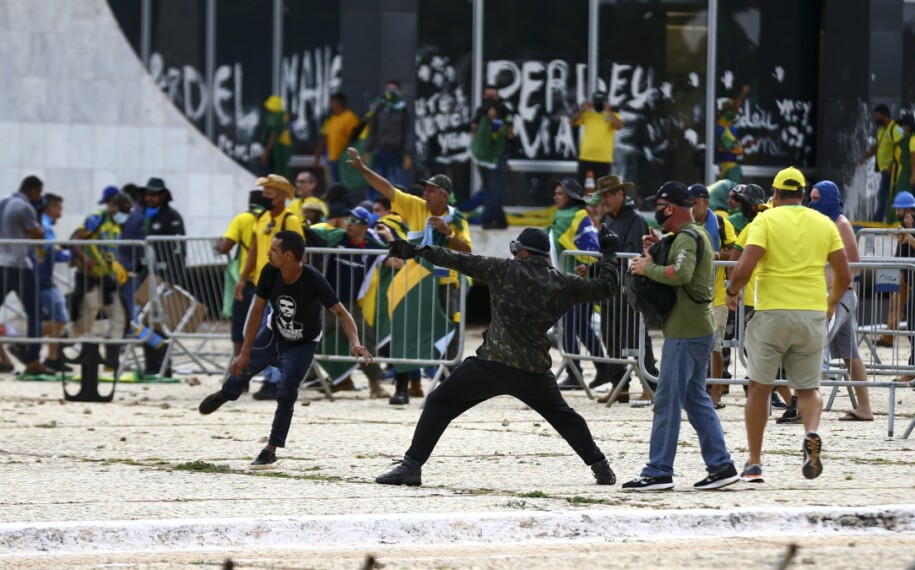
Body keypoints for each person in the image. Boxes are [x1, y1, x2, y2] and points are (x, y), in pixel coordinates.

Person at [374, 227, 620, 486]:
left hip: (492, 365)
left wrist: (417, 250)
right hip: (533, 370)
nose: (513, 255)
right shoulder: (563, 282)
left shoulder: (503, 269)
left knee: (438, 403)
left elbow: (458, 259)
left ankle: (411, 466)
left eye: (516, 250)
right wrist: (609, 253)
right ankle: (600, 466)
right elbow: (606, 287)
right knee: (564, 417)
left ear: (522, 252)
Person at [199, 231, 372, 468]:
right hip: (272, 335)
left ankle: (270, 449)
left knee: (286, 393)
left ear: (288, 255)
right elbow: (257, 311)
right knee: (241, 371)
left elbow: (342, 312)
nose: (268, 254)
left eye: (273, 250)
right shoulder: (269, 272)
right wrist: (245, 350)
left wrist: (354, 342)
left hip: (302, 343)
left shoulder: (313, 279)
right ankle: (226, 394)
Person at [727, 167, 851, 483]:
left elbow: (744, 266)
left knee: (759, 387)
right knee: (808, 389)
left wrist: (732, 292)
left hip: (772, 313)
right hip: (811, 313)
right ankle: (811, 432)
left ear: (776, 194)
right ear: (802, 194)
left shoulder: (766, 220)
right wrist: (832, 302)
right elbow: (844, 274)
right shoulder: (823, 223)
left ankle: (754, 463)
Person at [622, 182, 738, 491]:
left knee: (667, 400)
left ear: (670, 207)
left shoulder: (688, 237)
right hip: (693, 328)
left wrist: (647, 269)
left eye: (659, 205)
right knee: (695, 399)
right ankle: (721, 465)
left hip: (686, 332)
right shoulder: (690, 235)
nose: (656, 210)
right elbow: (678, 264)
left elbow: (682, 274)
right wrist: (657, 249)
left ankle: (658, 470)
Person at [346, 147, 471, 404]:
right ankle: (402, 388)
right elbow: (387, 188)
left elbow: (467, 251)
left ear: (444, 196)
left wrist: (448, 233)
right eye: (425, 189)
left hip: (443, 282)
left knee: (448, 334)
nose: (425, 194)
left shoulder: (457, 219)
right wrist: (362, 169)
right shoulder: (416, 207)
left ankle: (446, 389)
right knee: (405, 331)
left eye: (431, 190)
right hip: (412, 282)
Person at [585, 175, 660, 401]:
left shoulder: (635, 220)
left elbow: (629, 255)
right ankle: (620, 387)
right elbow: (609, 256)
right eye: (602, 196)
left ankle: (651, 385)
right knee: (611, 340)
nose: (604, 200)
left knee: (636, 339)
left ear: (620, 194)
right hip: (610, 290)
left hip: (628, 291)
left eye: (608, 195)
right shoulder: (609, 220)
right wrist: (591, 271)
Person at [235, 174, 305, 400]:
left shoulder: (290, 219)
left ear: (281, 195)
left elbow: (300, 254)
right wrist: (243, 277)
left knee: (277, 336)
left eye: (268, 192)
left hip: (283, 286)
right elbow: (254, 250)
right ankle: (268, 378)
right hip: (263, 285)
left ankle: (275, 381)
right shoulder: (262, 217)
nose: (264, 195)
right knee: (259, 334)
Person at [309, 206, 391, 398]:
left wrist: (388, 238)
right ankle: (340, 378)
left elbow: (397, 262)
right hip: (326, 301)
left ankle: (375, 384)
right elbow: (312, 235)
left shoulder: (372, 246)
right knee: (309, 337)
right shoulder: (336, 238)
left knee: (364, 341)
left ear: (365, 226)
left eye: (355, 221)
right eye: (348, 219)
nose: (349, 224)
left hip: (350, 304)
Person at [808, 181, 873, 421]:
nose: (812, 203)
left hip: (839, 296)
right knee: (850, 355)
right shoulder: (824, 223)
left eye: (816, 198)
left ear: (827, 198)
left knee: (813, 345)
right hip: (833, 294)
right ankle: (864, 408)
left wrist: (831, 285)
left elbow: (854, 264)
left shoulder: (841, 224)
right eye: (810, 198)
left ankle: (802, 403)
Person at [548, 178, 611, 390]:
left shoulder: (578, 216)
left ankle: (574, 373)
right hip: (570, 282)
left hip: (579, 283)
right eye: (555, 193)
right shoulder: (568, 216)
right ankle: (603, 369)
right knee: (582, 328)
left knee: (568, 327)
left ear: (571, 196)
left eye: (560, 193)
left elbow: (591, 251)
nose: (556, 197)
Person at [70, 189, 133, 370]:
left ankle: (111, 363)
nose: (124, 215)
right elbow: (77, 240)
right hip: (89, 277)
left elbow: (109, 249)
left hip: (106, 278)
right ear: (113, 207)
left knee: (119, 317)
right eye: (122, 210)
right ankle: (62, 344)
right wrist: (84, 259)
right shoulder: (97, 218)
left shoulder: (116, 225)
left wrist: (115, 265)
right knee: (86, 319)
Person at [688, 183, 736, 408]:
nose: (691, 208)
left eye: (694, 203)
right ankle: (695, 389)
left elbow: (735, 253)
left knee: (715, 345)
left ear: (706, 203)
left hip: (716, 293)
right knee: (691, 344)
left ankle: (716, 390)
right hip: (690, 293)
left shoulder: (720, 222)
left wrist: (717, 254)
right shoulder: (684, 223)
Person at [0, 176, 53, 375]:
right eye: (38, 193)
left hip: (0, 262)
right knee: (35, 312)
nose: (38, 197)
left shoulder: (3, 201)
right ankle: (32, 360)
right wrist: (39, 220)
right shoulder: (25, 207)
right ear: (33, 190)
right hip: (19, 265)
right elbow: (36, 234)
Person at [140, 177, 186, 377]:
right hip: (146, 276)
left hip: (164, 278)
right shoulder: (143, 216)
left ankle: (163, 367)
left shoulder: (172, 216)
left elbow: (179, 248)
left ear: (163, 195)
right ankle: (151, 365)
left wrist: (173, 278)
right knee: (144, 322)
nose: (150, 198)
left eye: (155, 194)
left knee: (162, 324)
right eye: (148, 194)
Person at [217, 190, 267, 358]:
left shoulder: (242, 219)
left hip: (248, 280)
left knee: (240, 327)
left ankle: (240, 368)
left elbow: (225, 247)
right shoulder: (270, 219)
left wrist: (218, 243)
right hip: (269, 280)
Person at [33, 193, 71, 372]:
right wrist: (72, 255)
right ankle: (22, 341)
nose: (61, 214)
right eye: (59, 209)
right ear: (51, 208)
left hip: (40, 277)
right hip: (42, 278)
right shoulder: (45, 226)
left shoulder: (42, 223)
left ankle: (53, 357)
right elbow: (50, 251)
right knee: (60, 318)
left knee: (52, 318)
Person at [468, 85, 515, 229]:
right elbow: (474, 130)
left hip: (498, 155)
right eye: (487, 96)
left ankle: (489, 219)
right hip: (484, 156)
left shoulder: (505, 110)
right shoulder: (480, 111)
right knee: (489, 188)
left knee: (495, 188)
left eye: (492, 96)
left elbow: (510, 133)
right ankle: (497, 219)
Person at [364, 81, 413, 195]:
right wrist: (367, 150)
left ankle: (399, 208)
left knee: (399, 183)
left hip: (397, 151)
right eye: (388, 89)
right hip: (381, 150)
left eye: (394, 89)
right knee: (377, 181)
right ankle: (377, 206)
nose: (390, 92)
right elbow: (373, 130)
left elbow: (407, 133)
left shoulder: (403, 110)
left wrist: (408, 155)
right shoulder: (380, 108)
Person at [858, 104, 903, 223]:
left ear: (886, 115)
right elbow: (876, 147)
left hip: (892, 170)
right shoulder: (881, 130)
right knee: (884, 195)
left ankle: (879, 220)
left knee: (883, 195)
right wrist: (864, 158)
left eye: (878, 117)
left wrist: (892, 164)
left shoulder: (896, 128)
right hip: (884, 169)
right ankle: (883, 219)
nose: (876, 119)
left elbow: (901, 148)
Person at [569, 91, 624, 182]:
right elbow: (572, 122)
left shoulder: (612, 115)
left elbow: (619, 126)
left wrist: (608, 110)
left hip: (603, 158)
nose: (599, 103)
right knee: (578, 187)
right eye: (597, 101)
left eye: (601, 101)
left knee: (601, 190)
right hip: (585, 156)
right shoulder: (587, 114)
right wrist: (582, 109)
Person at [892, 191, 915, 383]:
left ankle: (912, 369)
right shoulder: (905, 227)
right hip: (912, 286)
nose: (897, 212)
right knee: (911, 325)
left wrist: (911, 239)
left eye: (899, 208)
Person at [314, 92, 360, 184]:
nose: (330, 105)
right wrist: (318, 151)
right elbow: (326, 137)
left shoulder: (350, 118)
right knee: (332, 184)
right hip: (331, 158)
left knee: (344, 185)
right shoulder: (332, 118)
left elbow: (354, 139)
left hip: (344, 160)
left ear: (337, 103)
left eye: (331, 102)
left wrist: (347, 155)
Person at [715, 85, 751, 183]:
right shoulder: (722, 124)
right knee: (732, 192)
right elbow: (735, 107)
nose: (736, 112)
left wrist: (747, 145)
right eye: (732, 110)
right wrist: (743, 93)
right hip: (728, 165)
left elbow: (733, 148)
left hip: (732, 164)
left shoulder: (730, 127)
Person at [259, 95, 293, 180]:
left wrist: (266, 152)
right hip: (285, 147)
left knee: (275, 174)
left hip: (277, 149)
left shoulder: (274, 118)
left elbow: (272, 135)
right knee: (284, 173)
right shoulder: (284, 116)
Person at [891, 114, 915, 210]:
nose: (900, 128)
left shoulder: (912, 139)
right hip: (903, 175)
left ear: (908, 126)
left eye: (902, 125)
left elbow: (914, 158)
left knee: (905, 200)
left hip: (908, 175)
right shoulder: (904, 139)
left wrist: (913, 175)